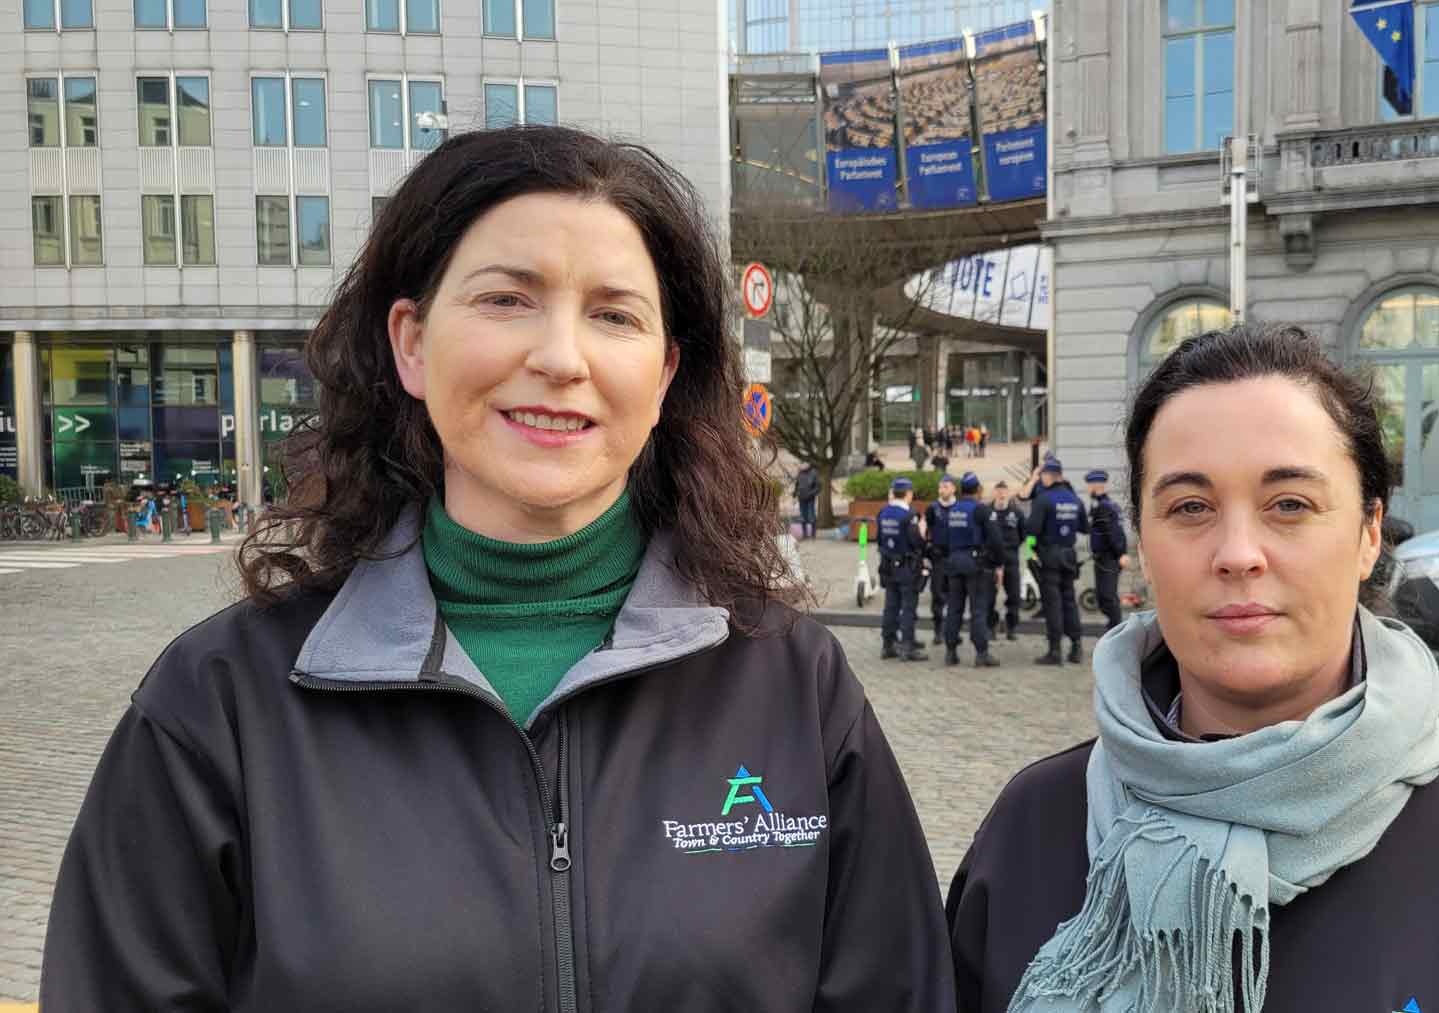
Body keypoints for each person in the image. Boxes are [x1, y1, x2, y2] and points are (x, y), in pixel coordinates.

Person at [42, 126, 954, 1012]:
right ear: (410, 341)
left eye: (614, 315)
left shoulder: (794, 685)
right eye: (505, 299)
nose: (560, 358)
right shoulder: (221, 703)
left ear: (665, 371)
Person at [945, 323, 1439, 1012]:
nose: (1237, 551)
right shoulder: (1032, 830)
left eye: (1289, 503)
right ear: (1142, 541)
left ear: (1368, 534)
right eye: (1191, 506)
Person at [1021, 456, 1087, 665]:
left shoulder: (1044, 499)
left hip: (1049, 556)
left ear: (1050, 476)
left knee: (1052, 604)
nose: (1041, 479)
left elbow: (1031, 529)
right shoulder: (1075, 499)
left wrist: (1032, 544)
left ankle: (1055, 650)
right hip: (1069, 555)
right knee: (1069, 601)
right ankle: (1076, 647)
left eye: (1042, 475)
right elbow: (1084, 527)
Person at [938, 472, 1004, 668]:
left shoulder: (951, 510)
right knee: (978, 610)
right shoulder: (981, 510)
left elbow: (941, 540)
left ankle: (950, 652)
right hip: (975, 565)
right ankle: (981, 653)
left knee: (954, 608)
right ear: (977, 490)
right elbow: (996, 540)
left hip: (953, 563)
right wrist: (996, 562)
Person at [877, 476, 929, 662]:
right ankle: (907, 646)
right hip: (907, 566)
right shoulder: (910, 515)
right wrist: (923, 534)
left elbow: (880, 539)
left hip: (888, 565)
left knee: (891, 605)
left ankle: (888, 644)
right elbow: (917, 542)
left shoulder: (883, 512)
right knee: (908, 606)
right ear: (908, 494)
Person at [1084, 469, 1130, 633]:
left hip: (1108, 557)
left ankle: (1116, 629)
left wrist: (1121, 553)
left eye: (1089, 485)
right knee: (1104, 595)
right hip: (1102, 557)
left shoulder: (1105, 506)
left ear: (1097, 485)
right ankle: (1113, 625)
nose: (1088, 488)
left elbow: (1114, 532)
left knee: (1107, 596)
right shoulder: (1100, 504)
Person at [987, 481, 1027, 641]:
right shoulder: (986, 512)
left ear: (1009, 493)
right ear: (994, 493)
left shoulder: (1017, 513)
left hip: (1011, 560)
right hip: (991, 561)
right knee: (989, 596)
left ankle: (1011, 627)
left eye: (1004, 491)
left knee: (1015, 596)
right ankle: (991, 627)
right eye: (998, 491)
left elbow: (1024, 535)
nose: (1001, 495)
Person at [924, 474, 959, 644]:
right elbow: (927, 531)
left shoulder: (959, 508)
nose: (942, 490)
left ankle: (953, 631)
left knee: (955, 596)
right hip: (938, 559)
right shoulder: (932, 508)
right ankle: (938, 630)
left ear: (953, 488)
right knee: (937, 595)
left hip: (955, 557)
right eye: (940, 487)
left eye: (946, 486)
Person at [793, 460, 821, 539]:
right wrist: (795, 494)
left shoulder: (814, 473)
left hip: (810, 498)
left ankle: (813, 535)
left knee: (811, 516)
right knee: (802, 516)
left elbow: (818, 487)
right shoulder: (800, 473)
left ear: (808, 464)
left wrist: (811, 494)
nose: (802, 465)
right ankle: (804, 535)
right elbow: (797, 485)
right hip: (801, 498)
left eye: (804, 463)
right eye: (801, 463)